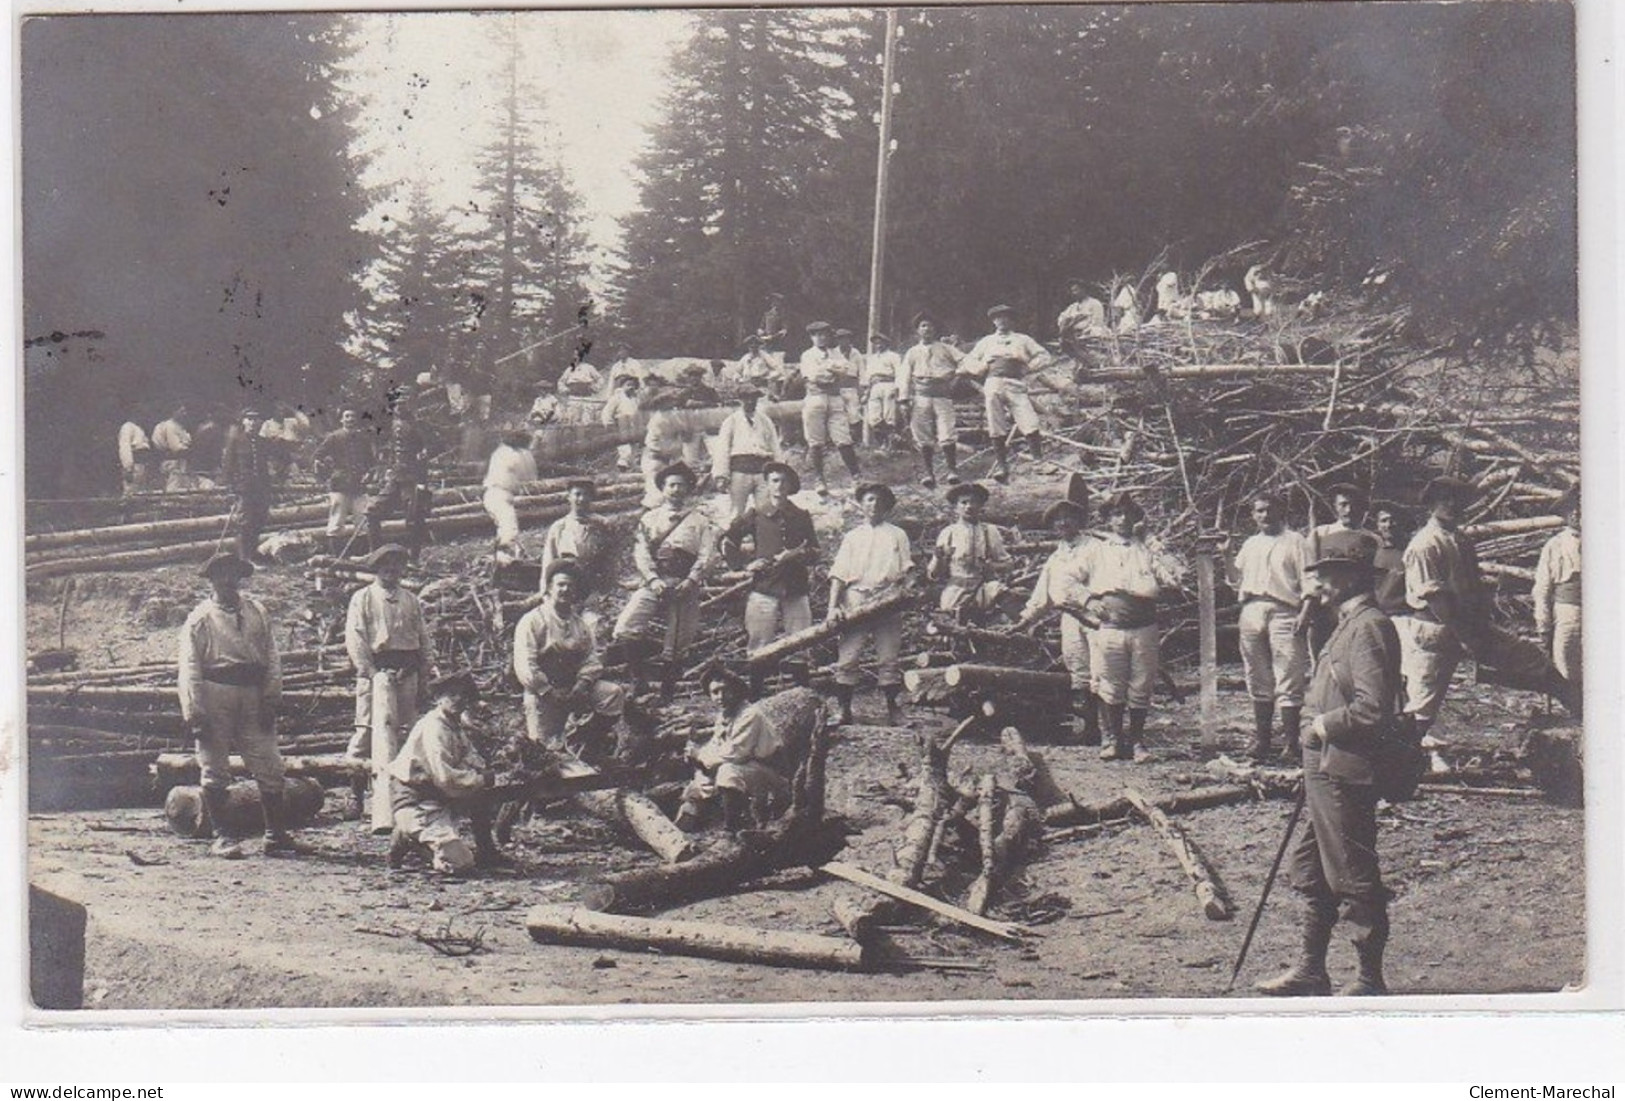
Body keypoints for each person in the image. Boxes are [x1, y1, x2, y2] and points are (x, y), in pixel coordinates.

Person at [1256, 531, 1402, 997]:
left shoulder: (1370, 626)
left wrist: (1323, 726)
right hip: (1324, 767)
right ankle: (1311, 970)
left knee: (1352, 871)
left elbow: (1373, 709)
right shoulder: (1345, 622)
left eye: (1327, 574)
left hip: (1345, 766)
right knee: (1313, 867)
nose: (1318, 582)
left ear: (1351, 576)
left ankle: (1368, 980)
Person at [177, 552, 311, 857]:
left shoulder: (255, 611)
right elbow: (190, 666)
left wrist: (270, 697)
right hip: (215, 693)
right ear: (211, 580)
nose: (227, 581)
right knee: (214, 766)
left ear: (239, 578)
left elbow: (272, 656)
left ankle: (275, 835)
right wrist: (196, 712)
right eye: (220, 575)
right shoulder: (200, 618)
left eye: (232, 574)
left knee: (270, 764)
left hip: (252, 692)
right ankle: (223, 836)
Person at [344, 543, 435, 834]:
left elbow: (422, 639)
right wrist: (370, 672)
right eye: (385, 565)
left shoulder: (411, 600)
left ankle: (402, 798)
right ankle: (355, 794)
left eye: (396, 565)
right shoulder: (363, 598)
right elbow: (356, 638)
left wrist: (422, 675)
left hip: (406, 671)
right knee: (366, 732)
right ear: (376, 568)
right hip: (376, 673)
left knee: (407, 732)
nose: (391, 570)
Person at [387, 671, 512, 875]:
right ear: (438, 699)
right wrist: (481, 779)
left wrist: (490, 771)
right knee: (460, 864)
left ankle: (486, 851)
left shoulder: (453, 725)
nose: (458, 699)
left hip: (440, 796)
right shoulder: (434, 729)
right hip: (417, 799)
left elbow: (469, 756)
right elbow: (444, 777)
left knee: (482, 794)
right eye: (451, 694)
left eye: (463, 695)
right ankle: (406, 836)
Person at [1084, 492, 1178, 762]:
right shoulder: (1097, 549)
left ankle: (1137, 742)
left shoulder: (1146, 549)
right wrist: (1088, 600)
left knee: (1141, 684)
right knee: (1111, 684)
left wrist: (1152, 542)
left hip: (1144, 626)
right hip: (1111, 626)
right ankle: (1113, 740)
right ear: (1108, 520)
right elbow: (1066, 580)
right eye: (1116, 514)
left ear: (1136, 518)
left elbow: (1175, 576)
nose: (1122, 519)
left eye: (1127, 514)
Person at [613, 461, 718, 695]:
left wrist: (691, 580)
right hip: (656, 581)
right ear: (663, 488)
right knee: (626, 626)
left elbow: (707, 554)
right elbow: (640, 551)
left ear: (689, 489)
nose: (676, 490)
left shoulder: (699, 521)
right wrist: (652, 579)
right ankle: (637, 679)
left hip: (684, 584)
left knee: (679, 641)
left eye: (681, 486)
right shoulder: (649, 519)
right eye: (671, 485)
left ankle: (667, 690)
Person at [1223, 494, 1312, 761]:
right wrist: (1226, 554)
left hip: (1284, 610)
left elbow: (1310, 581)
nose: (1265, 515)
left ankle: (1291, 743)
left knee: (1288, 674)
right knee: (1257, 675)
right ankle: (1262, 740)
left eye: (1270, 510)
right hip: (1251, 609)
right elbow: (1235, 579)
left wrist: (1305, 613)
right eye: (1259, 511)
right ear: (1253, 515)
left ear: (1280, 511)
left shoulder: (1296, 541)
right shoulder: (1251, 544)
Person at [513, 559, 630, 761]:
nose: (565, 590)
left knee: (612, 694)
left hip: (574, 687)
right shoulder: (533, 621)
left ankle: (582, 739)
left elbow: (592, 658)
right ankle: (559, 744)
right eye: (561, 584)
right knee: (546, 752)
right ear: (550, 587)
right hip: (545, 693)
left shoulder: (580, 624)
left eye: (570, 586)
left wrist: (582, 684)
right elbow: (525, 664)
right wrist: (548, 691)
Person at [1395, 475, 1482, 745]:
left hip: (1461, 624)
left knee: (1527, 661)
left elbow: (1472, 585)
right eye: (1444, 499)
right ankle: (1397, 761)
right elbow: (1435, 598)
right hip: (1435, 626)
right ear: (1431, 504)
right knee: (1422, 702)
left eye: (1457, 499)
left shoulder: (1458, 539)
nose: (1452, 505)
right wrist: (1464, 635)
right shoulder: (1425, 544)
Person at [1013, 498, 1102, 745]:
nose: (1063, 523)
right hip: (1070, 618)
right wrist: (1024, 620)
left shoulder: (1096, 548)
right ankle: (1089, 727)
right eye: (1058, 520)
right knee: (1078, 669)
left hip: (1096, 616)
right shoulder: (1056, 558)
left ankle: (1109, 731)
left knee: (1101, 670)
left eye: (1068, 517)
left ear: (1079, 520)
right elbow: (1042, 595)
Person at [827, 482, 913, 726]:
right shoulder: (853, 537)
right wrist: (833, 607)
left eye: (879, 500)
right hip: (856, 598)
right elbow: (839, 574)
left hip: (888, 598)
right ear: (861, 505)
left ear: (887, 506)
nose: (874, 505)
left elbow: (908, 570)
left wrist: (903, 593)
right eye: (869, 500)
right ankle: (843, 710)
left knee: (889, 657)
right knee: (848, 656)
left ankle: (893, 709)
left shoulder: (898, 535)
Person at [722, 460, 819, 658]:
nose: (779, 486)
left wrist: (798, 554)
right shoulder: (756, 514)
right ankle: (757, 688)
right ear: (766, 484)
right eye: (774, 480)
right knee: (759, 643)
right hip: (764, 587)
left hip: (796, 587)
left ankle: (801, 688)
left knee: (801, 641)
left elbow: (815, 551)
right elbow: (727, 541)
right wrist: (746, 565)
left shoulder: (801, 516)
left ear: (791, 486)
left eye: (784, 481)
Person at [676, 666, 789, 832]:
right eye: (715, 692)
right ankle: (693, 819)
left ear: (736, 690)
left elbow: (736, 753)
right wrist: (698, 756)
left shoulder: (749, 715)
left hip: (768, 772)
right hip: (746, 768)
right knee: (701, 779)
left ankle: (732, 827)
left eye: (725, 690)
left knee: (728, 772)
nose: (720, 696)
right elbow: (715, 745)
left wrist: (700, 755)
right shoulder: (724, 715)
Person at [962, 304, 1050, 484]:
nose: (1002, 321)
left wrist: (1029, 367)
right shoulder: (987, 341)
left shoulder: (1022, 339)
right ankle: (1002, 466)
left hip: (1016, 382)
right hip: (993, 382)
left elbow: (1045, 355)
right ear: (994, 321)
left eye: (1006, 317)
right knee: (996, 423)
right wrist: (981, 368)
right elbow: (969, 359)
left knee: (1029, 419)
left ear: (1012, 320)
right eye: (998, 318)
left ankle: (1038, 461)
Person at [1302, 483, 1380, 658]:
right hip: (1325, 609)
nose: (1348, 510)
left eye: (1354, 505)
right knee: (1323, 658)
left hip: (1358, 608)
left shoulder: (1372, 539)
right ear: (1335, 507)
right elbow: (1310, 574)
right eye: (1343, 504)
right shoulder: (1321, 533)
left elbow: (1377, 577)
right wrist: (1309, 607)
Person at [929, 482, 1013, 624]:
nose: (969, 506)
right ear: (956, 507)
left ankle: (1024, 627)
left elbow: (1008, 564)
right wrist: (938, 558)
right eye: (964, 502)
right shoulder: (949, 533)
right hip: (956, 588)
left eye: (974, 502)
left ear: (981, 506)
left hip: (982, 587)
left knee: (1003, 593)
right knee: (952, 623)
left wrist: (992, 567)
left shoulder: (989, 531)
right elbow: (934, 575)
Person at [897, 312, 964, 488]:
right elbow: (903, 376)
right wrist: (904, 399)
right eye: (923, 326)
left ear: (935, 329)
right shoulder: (912, 352)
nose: (927, 329)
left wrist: (956, 380)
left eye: (930, 326)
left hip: (942, 394)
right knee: (923, 435)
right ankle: (928, 473)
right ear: (918, 330)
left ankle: (952, 471)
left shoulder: (946, 348)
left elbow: (965, 362)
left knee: (947, 432)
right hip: (921, 395)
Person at [1532, 489, 1582, 716]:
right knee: (1566, 663)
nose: (1578, 514)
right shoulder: (1556, 545)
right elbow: (1542, 589)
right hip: (1569, 611)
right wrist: (1543, 624)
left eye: (1582, 509)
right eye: (1573, 510)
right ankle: (1573, 712)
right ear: (1565, 513)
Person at [798, 321, 862, 496]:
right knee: (816, 441)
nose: (821, 338)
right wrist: (832, 370)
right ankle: (820, 479)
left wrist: (829, 370)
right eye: (817, 335)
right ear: (812, 337)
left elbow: (846, 369)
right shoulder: (807, 355)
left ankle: (856, 477)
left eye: (824, 334)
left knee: (843, 439)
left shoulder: (836, 353)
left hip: (835, 398)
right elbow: (814, 376)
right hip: (815, 398)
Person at [366, 396, 434, 563]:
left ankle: (413, 558)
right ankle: (375, 555)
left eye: (403, 404)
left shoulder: (419, 424)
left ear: (409, 405)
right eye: (396, 404)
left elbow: (433, 445)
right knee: (372, 511)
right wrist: (383, 469)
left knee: (414, 517)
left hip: (413, 478)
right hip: (394, 478)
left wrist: (426, 452)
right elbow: (382, 446)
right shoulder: (389, 424)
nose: (399, 407)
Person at [711, 386, 782, 521]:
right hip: (740, 470)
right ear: (740, 400)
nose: (750, 401)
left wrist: (779, 471)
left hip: (762, 470)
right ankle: (732, 541)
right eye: (746, 398)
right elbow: (722, 448)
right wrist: (721, 475)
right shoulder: (731, 421)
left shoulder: (765, 421)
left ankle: (764, 541)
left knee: (766, 511)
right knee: (736, 512)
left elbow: (775, 446)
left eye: (753, 398)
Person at [311, 407, 376, 556]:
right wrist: (324, 470)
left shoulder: (363, 440)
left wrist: (369, 474)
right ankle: (336, 556)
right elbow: (317, 456)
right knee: (337, 521)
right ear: (342, 420)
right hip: (339, 485)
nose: (350, 419)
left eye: (353, 417)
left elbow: (371, 463)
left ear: (356, 420)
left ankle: (362, 555)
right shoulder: (334, 437)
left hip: (359, 486)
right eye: (347, 416)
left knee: (363, 521)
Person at [538, 479, 612, 605]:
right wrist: (545, 592)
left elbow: (610, 561)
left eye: (586, 494)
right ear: (569, 497)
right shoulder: (559, 527)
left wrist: (605, 591)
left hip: (592, 587)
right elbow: (548, 562)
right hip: (566, 586)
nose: (582, 499)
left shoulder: (602, 525)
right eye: (577, 494)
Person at [219, 407, 275, 565]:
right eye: (249, 419)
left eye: (256, 419)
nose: (252, 422)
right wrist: (230, 488)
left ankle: (252, 552)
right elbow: (228, 466)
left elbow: (265, 465)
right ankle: (244, 558)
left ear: (260, 423)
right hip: (244, 487)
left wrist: (270, 483)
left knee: (259, 520)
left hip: (261, 487)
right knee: (245, 522)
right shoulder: (236, 440)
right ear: (243, 421)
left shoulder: (262, 442)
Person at [481, 429, 539, 563]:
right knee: (508, 526)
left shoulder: (510, 453)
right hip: (498, 493)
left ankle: (512, 555)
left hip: (508, 494)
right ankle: (504, 557)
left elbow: (529, 478)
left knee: (509, 526)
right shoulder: (507, 453)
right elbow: (530, 477)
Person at [639, 379, 695, 508]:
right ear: (662, 404)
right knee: (655, 493)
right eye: (670, 402)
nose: (673, 404)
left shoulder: (673, 415)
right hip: (655, 459)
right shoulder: (659, 419)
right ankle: (648, 517)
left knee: (663, 493)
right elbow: (657, 445)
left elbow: (686, 434)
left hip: (667, 459)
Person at [1371, 501, 1411, 618]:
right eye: (1383, 521)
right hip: (1377, 616)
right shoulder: (1372, 552)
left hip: (1405, 616)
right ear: (1377, 525)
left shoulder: (1410, 551)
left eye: (1393, 520)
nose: (1389, 525)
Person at [861, 333, 902, 449]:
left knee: (889, 416)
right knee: (874, 418)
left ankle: (890, 444)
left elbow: (899, 374)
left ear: (886, 343)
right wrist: (866, 393)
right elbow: (868, 377)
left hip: (889, 385)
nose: (878, 345)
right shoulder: (872, 358)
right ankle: (882, 443)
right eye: (876, 343)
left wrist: (899, 390)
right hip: (874, 387)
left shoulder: (894, 356)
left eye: (880, 343)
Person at [1057, 277, 1108, 365]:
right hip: (1073, 336)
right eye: (1072, 291)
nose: (1074, 293)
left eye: (1076, 290)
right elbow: (1062, 318)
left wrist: (1085, 331)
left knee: (1095, 333)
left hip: (1089, 335)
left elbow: (1097, 322)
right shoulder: (1073, 306)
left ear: (1084, 290)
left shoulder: (1095, 304)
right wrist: (1069, 321)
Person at [600, 372, 642, 471]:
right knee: (625, 448)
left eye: (633, 386)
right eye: (628, 385)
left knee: (634, 448)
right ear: (622, 386)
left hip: (633, 424)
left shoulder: (635, 399)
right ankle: (622, 467)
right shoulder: (616, 398)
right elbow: (607, 412)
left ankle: (632, 466)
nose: (630, 387)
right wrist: (609, 424)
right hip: (621, 424)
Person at [833, 327, 865, 444]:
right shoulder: (833, 353)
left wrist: (861, 387)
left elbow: (861, 370)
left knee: (854, 414)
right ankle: (840, 439)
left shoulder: (855, 353)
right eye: (841, 339)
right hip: (838, 387)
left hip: (852, 386)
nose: (844, 341)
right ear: (837, 340)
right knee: (839, 413)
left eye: (846, 339)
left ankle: (856, 440)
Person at [151, 405, 193, 488]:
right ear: (174, 412)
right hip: (174, 463)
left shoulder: (180, 426)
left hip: (182, 462)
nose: (185, 414)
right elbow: (175, 447)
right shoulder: (170, 426)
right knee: (173, 490)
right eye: (182, 411)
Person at [116, 417, 153, 496]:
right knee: (131, 493)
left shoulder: (140, 428)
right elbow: (125, 447)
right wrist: (128, 468)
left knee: (141, 493)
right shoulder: (127, 427)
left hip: (142, 464)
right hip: (134, 466)